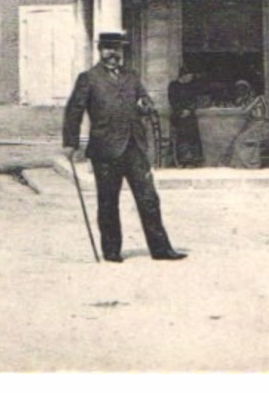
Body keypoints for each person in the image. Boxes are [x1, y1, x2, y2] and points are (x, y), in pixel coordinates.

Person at [63, 31, 187, 262]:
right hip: (105, 149)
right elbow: (74, 111)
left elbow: (144, 100)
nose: (113, 54)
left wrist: (144, 105)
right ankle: (111, 251)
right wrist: (70, 143)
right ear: (100, 51)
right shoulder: (88, 78)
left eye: (117, 49)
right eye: (109, 48)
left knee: (149, 198)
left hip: (134, 147)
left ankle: (161, 250)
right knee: (108, 201)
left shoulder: (131, 76)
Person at [167, 65, 204, 168]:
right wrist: (181, 111)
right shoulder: (173, 86)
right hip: (177, 115)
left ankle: (194, 157)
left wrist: (189, 110)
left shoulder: (190, 86)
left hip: (189, 114)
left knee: (192, 125)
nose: (190, 79)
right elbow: (172, 100)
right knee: (183, 127)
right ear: (183, 76)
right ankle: (184, 157)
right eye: (189, 76)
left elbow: (194, 100)